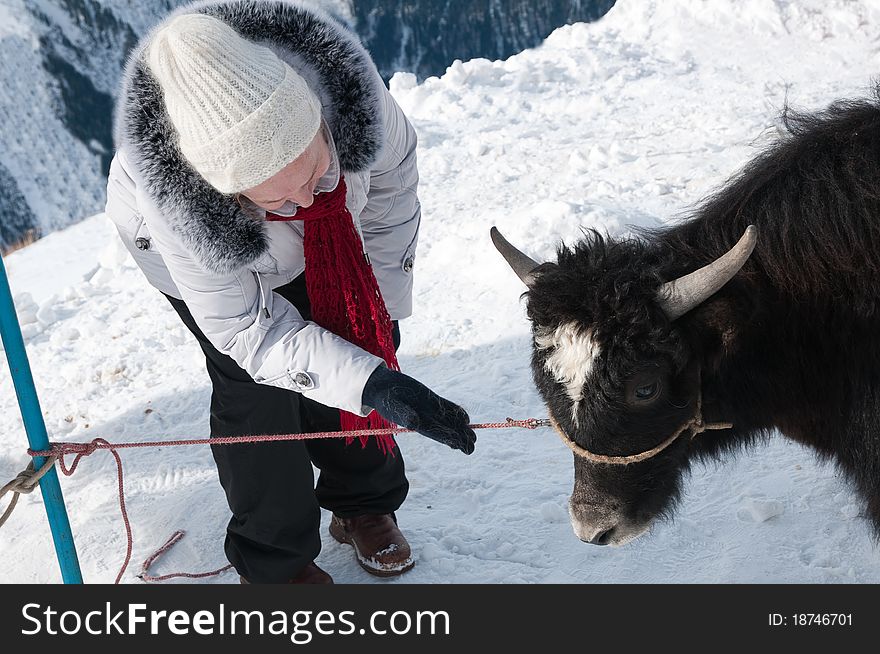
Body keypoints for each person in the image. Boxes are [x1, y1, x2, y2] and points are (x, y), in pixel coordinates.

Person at [104, 1, 476, 584]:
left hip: (340, 246)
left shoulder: (355, 100)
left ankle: (362, 503)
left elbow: (391, 200)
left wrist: (378, 316)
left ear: (321, 120)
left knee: (354, 337)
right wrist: (369, 382)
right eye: (278, 200)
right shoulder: (182, 209)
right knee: (257, 393)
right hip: (216, 270)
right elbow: (250, 331)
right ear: (226, 193)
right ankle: (276, 559)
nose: (305, 202)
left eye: (315, 172)